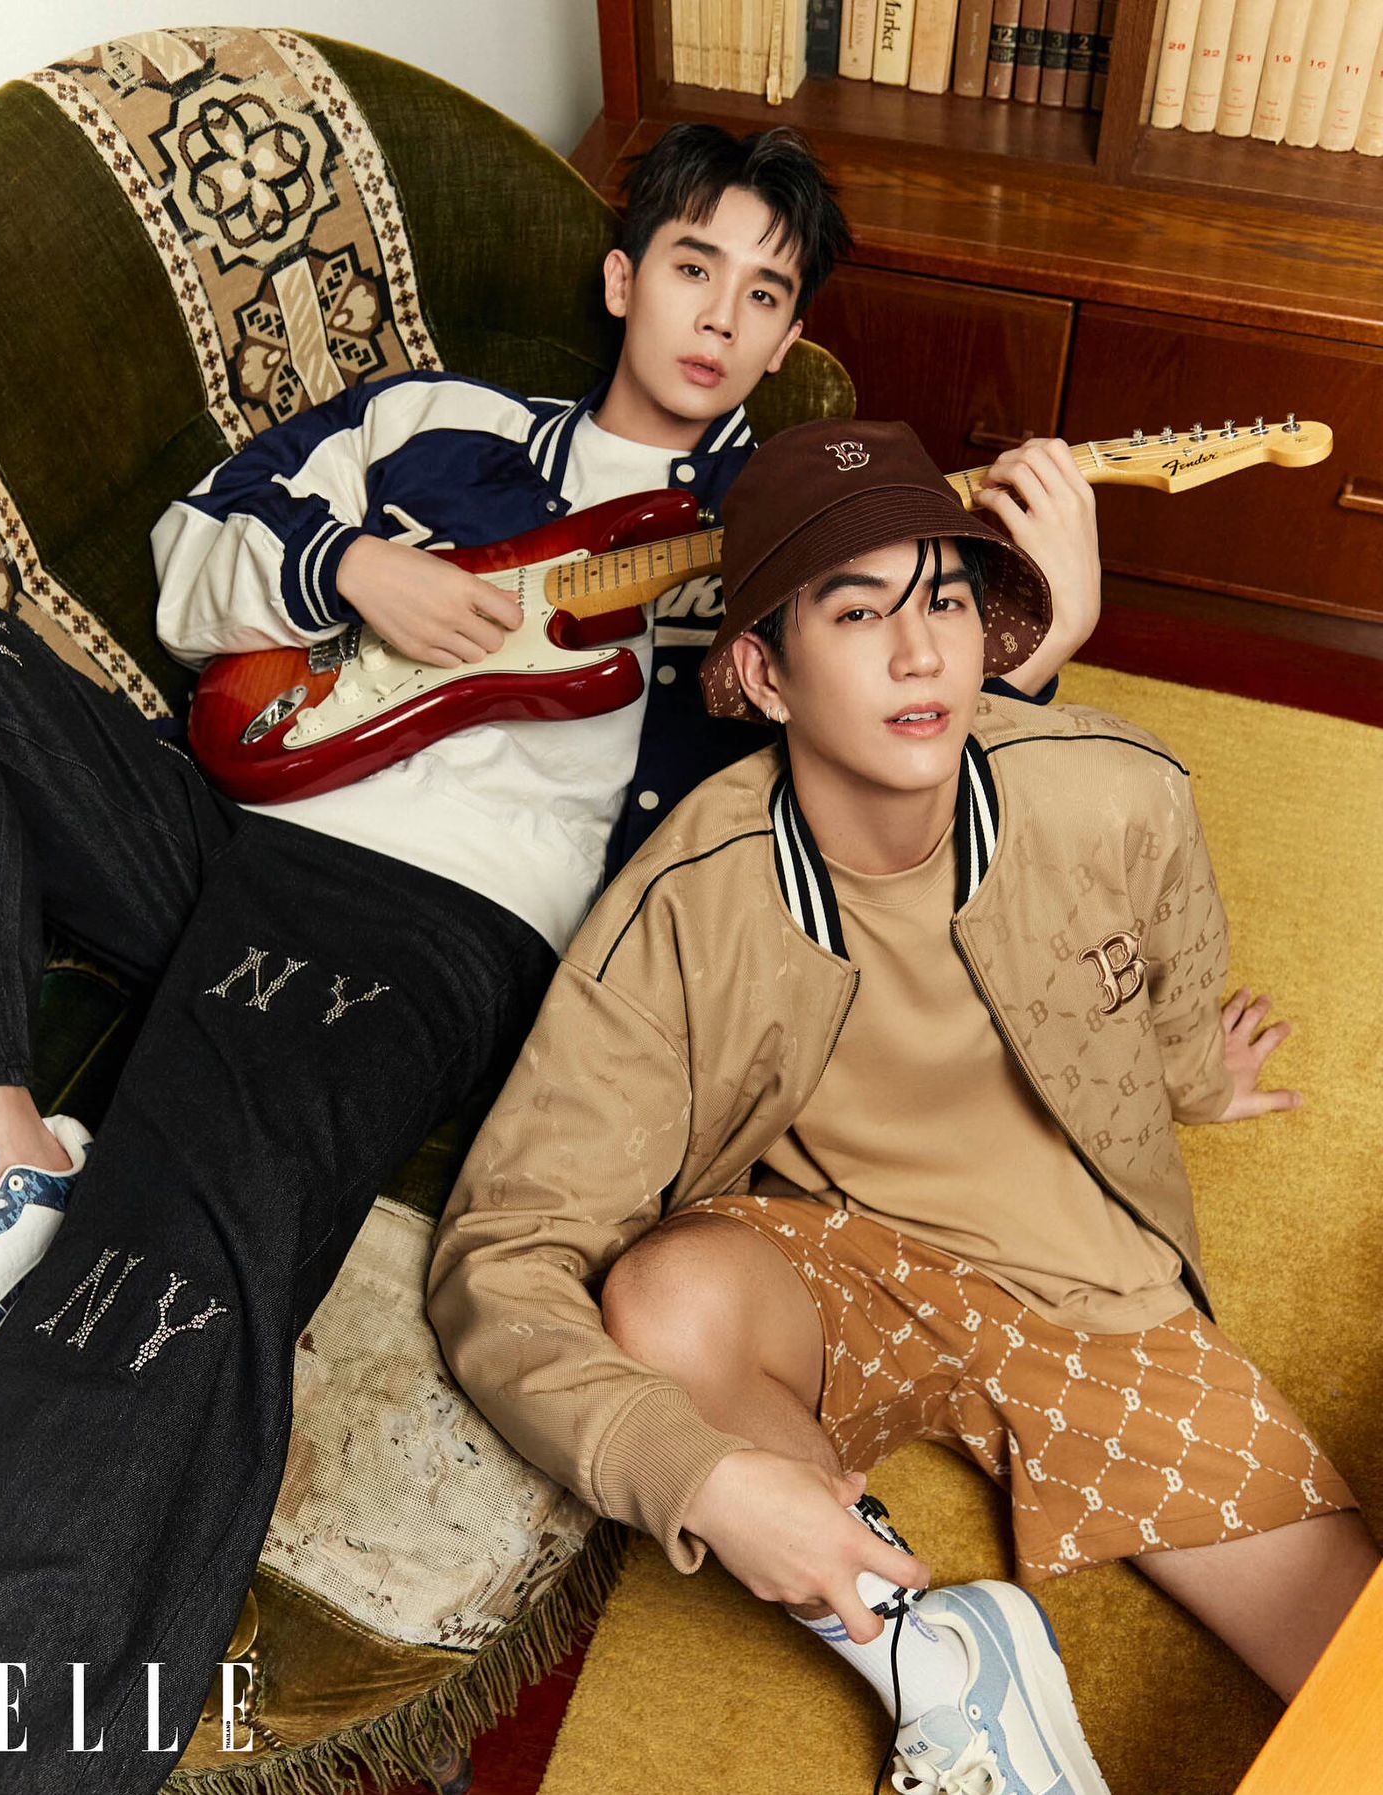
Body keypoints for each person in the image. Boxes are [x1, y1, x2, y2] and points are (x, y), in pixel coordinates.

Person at [0, 128, 1101, 1792]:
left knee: (179, 1254)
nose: (720, 316)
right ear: (625, 279)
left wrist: (1033, 652)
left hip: (433, 917)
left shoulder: (786, 550)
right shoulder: (437, 421)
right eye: (694, 267)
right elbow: (199, 555)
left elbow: (882, 809)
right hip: (233, 811)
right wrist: (354, 568)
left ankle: (2, 1741)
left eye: (764, 294)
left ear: (788, 340)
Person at [427, 417, 1379, 1794]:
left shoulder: (1120, 793)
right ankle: (940, 1663)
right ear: (765, 673)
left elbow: (1173, 972)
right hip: (844, 1259)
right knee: (664, 1300)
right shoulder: (684, 906)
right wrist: (697, 1477)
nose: (921, 651)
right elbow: (501, 1256)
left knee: (1362, 1680)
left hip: (1095, 1289)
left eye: (945, 599)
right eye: (859, 611)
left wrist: (1191, 1079)